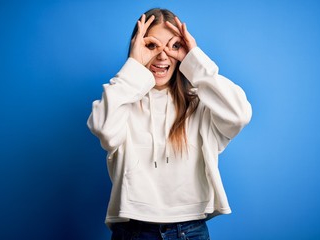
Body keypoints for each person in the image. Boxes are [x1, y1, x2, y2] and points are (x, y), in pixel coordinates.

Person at [87, 8, 252, 240]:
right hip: (134, 230)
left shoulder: (200, 103)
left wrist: (194, 59)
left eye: (174, 46)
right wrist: (134, 66)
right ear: (137, 48)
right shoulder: (123, 99)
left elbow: (239, 114)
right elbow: (103, 127)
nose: (163, 56)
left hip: (190, 230)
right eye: (152, 46)